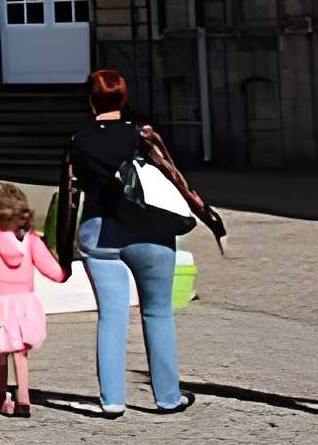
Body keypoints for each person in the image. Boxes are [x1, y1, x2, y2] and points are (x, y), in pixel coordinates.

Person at [55, 67, 228, 420]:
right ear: (125, 98)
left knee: (111, 317)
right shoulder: (141, 135)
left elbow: (69, 198)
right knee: (158, 313)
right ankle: (167, 398)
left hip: (99, 235)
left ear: (90, 100)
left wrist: (63, 252)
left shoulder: (78, 141)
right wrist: (210, 219)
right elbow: (176, 179)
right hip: (150, 234)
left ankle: (112, 401)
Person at [0, 181, 72, 418]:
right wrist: (66, 267)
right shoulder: (29, 240)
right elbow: (56, 273)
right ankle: (24, 400)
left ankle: (1, 398)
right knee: (20, 351)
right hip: (24, 305)